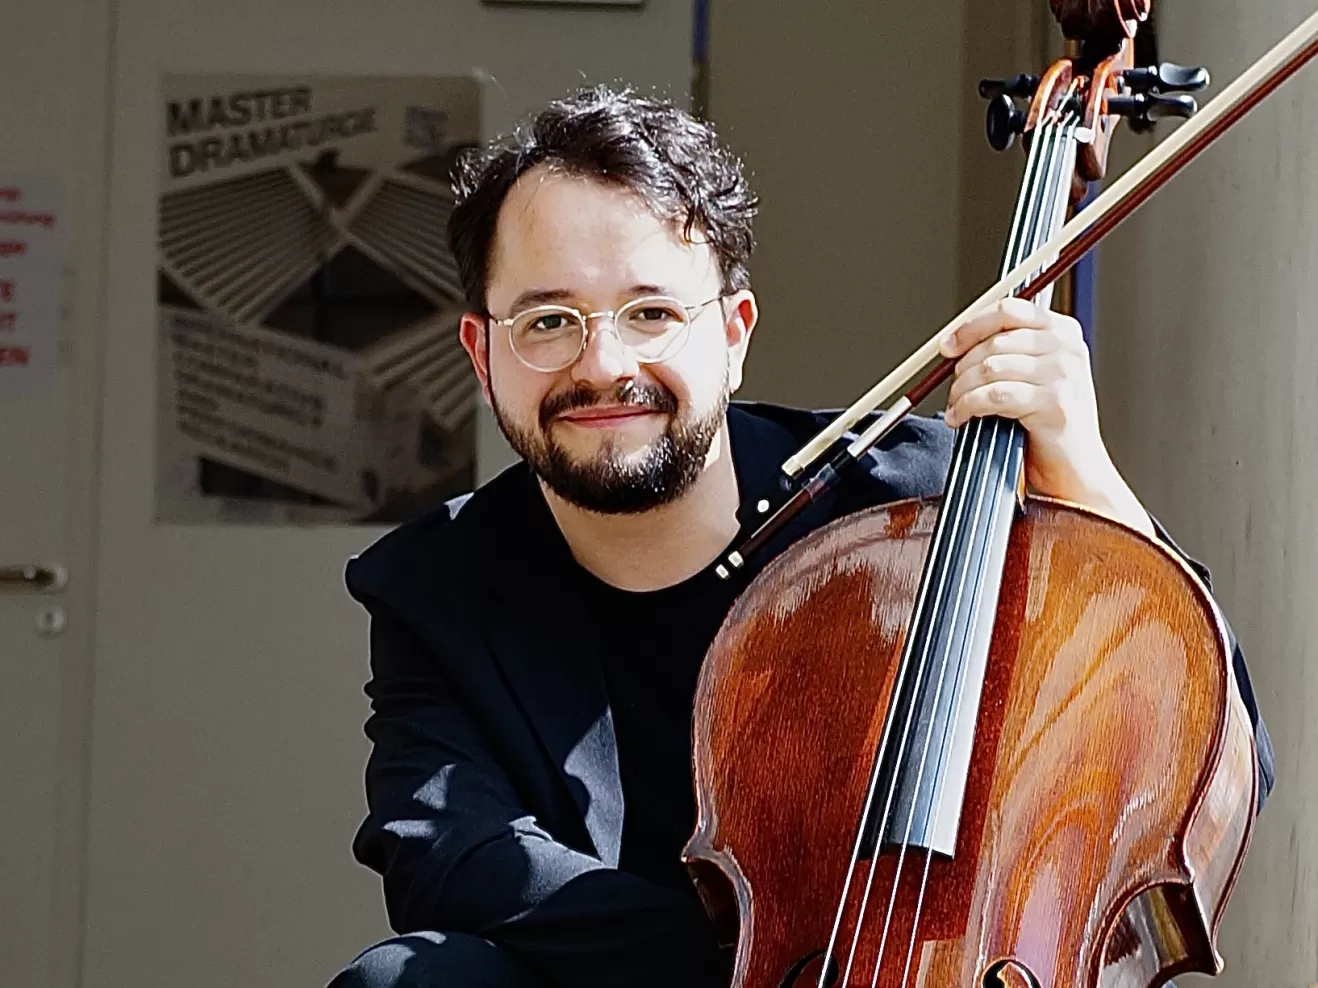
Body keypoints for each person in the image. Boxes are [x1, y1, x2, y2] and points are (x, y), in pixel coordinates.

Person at [327, 84, 1274, 988]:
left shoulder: (917, 512)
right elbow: (455, 856)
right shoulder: (438, 586)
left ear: (734, 333)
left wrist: (1083, 472)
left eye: (652, 312)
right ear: (482, 353)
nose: (604, 363)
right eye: (548, 322)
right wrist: (791, 969)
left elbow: (1211, 763)